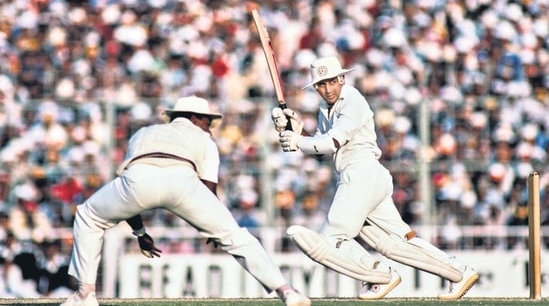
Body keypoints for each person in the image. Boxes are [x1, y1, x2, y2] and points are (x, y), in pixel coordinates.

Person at [61, 96, 311, 306]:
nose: (210, 127)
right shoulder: (204, 140)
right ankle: (287, 291)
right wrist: (213, 226)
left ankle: (85, 295)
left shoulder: (143, 132)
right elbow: (209, 189)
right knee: (236, 236)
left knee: (88, 216)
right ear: (194, 118)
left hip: (140, 178)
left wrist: (140, 232)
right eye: (207, 121)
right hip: (183, 181)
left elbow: (129, 188)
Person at [271, 56, 479, 300]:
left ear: (341, 78)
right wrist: (296, 130)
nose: (327, 89)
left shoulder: (353, 100)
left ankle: (378, 274)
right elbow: (320, 145)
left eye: (331, 82)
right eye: (321, 84)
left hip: (361, 174)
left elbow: (333, 141)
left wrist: (298, 142)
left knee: (334, 238)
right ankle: (459, 272)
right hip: (364, 178)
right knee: (393, 242)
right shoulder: (325, 109)